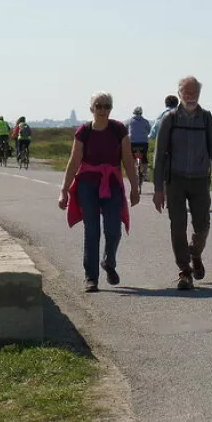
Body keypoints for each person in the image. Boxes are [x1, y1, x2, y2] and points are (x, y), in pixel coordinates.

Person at [152, 76, 212, 290]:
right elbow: (159, 156)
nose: (191, 97)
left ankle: (194, 252)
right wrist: (158, 189)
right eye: (186, 93)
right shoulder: (170, 119)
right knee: (177, 226)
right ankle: (185, 271)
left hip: (200, 180)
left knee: (202, 225)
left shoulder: (205, 119)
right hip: (174, 180)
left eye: (194, 93)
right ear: (179, 94)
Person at [58, 92, 140, 293]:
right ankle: (91, 278)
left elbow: (128, 161)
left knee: (113, 229)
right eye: (99, 105)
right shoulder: (83, 131)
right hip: (88, 184)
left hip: (111, 183)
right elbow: (74, 161)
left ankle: (108, 262)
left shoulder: (118, 129)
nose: (103, 110)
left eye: (107, 106)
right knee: (92, 231)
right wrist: (64, 190)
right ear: (91, 108)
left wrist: (135, 188)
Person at [126, 106, 151, 175]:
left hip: (133, 142)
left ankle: (133, 173)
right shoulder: (145, 121)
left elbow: (126, 130)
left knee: (133, 157)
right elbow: (149, 130)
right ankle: (145, 174)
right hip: (144, 142)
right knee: (144, 157)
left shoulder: (130, 121)